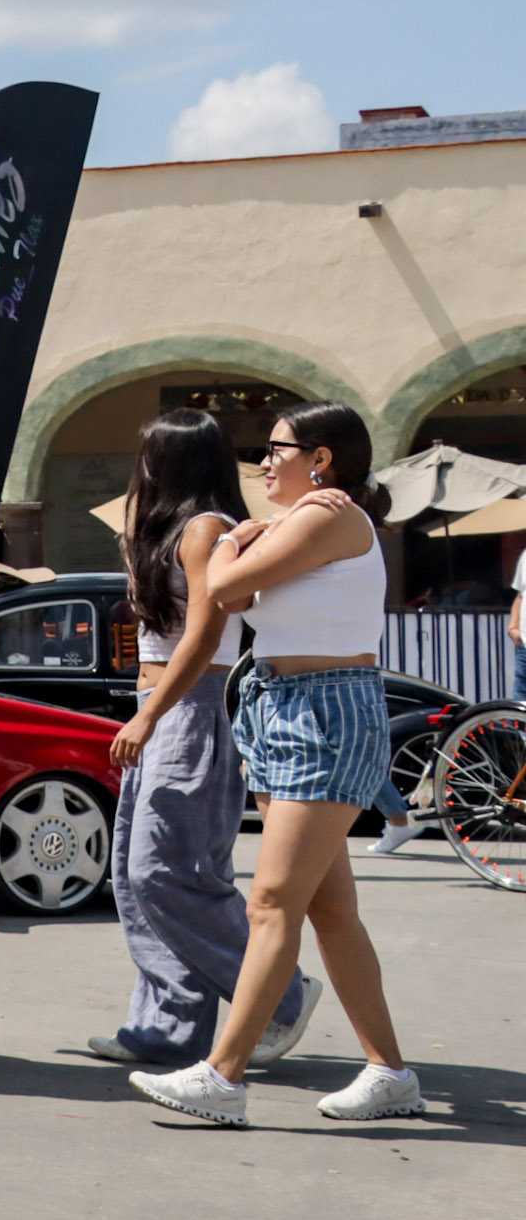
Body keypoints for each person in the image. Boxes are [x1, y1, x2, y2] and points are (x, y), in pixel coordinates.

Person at [131, 402, 422, 1126]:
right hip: (287, 706)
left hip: (323, 714)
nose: (261, 462)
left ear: (320, 458)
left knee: (269, 902)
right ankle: (390, 1071)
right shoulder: (300, 521)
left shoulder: (327, 517)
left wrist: (236, 541)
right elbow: (241, 588)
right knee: (329, 910)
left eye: (276, 449)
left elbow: (225, 591)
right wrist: (250, 537)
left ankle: (222, 1074)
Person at [94, 411, 319, 1066]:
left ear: (171, 460)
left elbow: (203, 638)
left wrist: (148, 715)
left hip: (188, 708)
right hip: (163, 705)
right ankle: (168, 1027)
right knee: (136, 879)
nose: (139, 467)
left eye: (148, 455)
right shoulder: (175, 529)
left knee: (167, 870)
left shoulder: (207, 530)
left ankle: (281, 994)